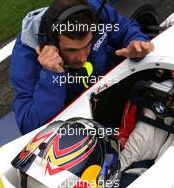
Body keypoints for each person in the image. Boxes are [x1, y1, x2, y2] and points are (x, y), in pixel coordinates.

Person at [10, 0, 154, 134]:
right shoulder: (25, 59)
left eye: (87, 45)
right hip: (82, 126)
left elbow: (125, 28)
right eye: (71, 50)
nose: (82, 57)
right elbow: (31, 127)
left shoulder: (94, 10)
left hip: (118, 92)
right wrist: (51, 75)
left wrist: (137, 42)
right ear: (51, 41)